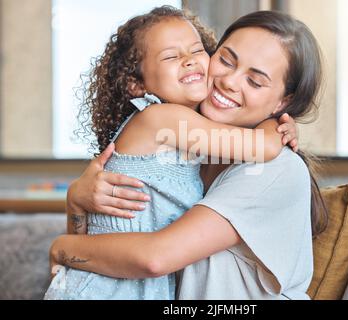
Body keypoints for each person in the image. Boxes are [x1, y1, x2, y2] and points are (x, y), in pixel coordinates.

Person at [49, 10, 327, 300]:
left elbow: (155, 257)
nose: (230, 81)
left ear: (284, 101)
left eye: (255, 82)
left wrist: (61, 247)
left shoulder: (274, 169)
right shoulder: (186, 149)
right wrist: (76, 203)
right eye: (226, 60)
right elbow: (98, 254)